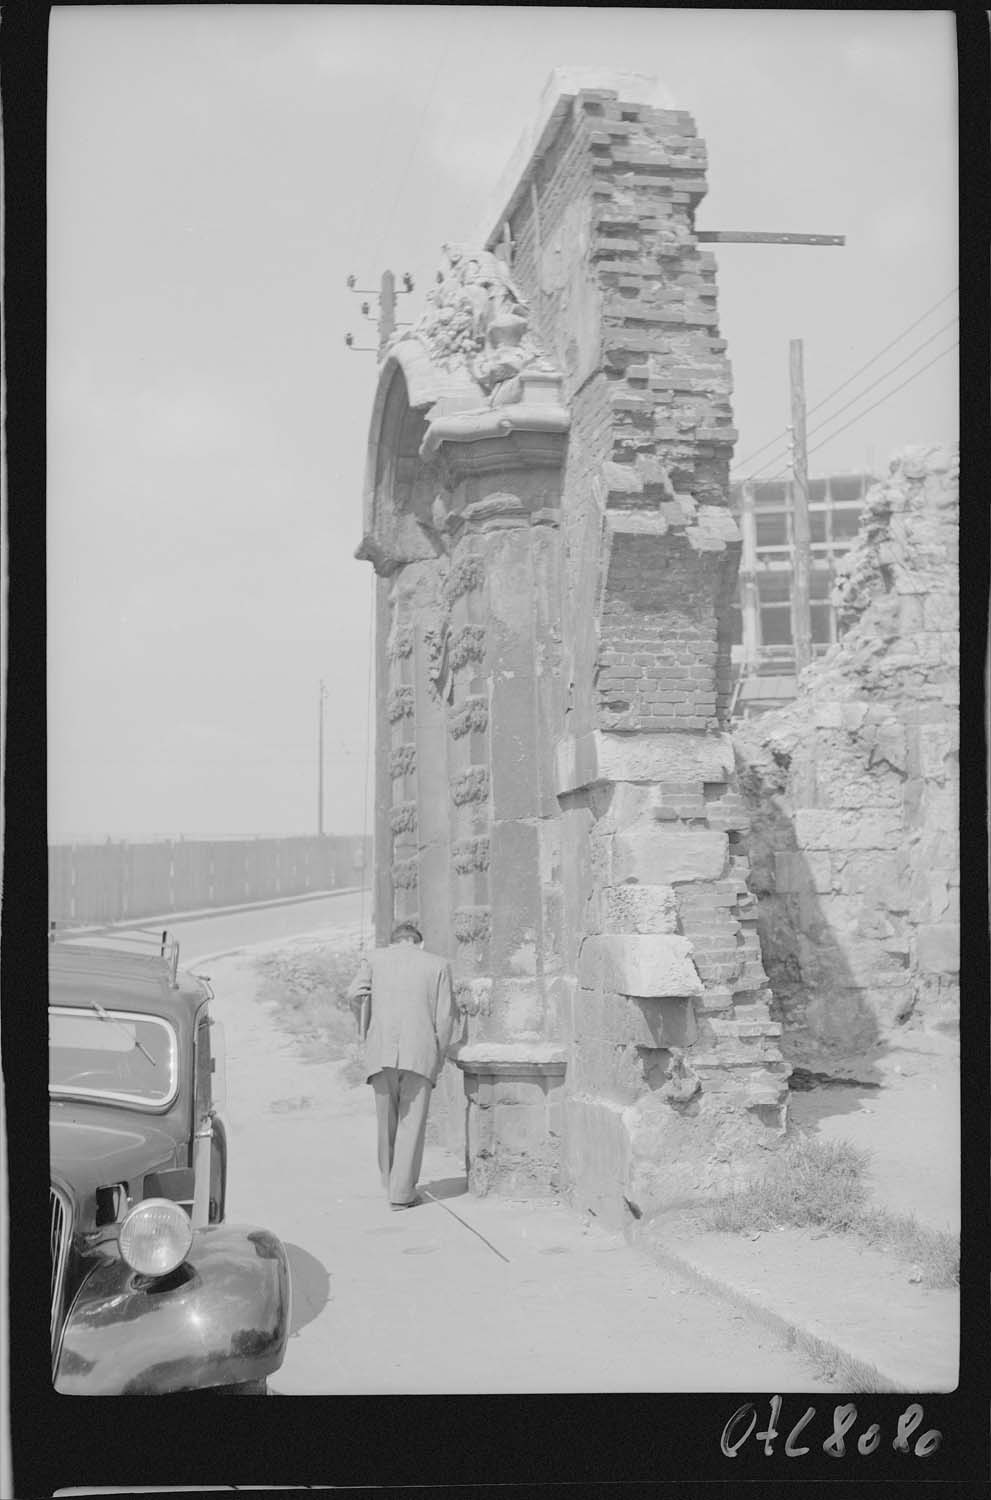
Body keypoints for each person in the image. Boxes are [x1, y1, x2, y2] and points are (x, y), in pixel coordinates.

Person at [346, 922, 456, 1209]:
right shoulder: (438, 965)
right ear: (419, 943)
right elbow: (444, 1019)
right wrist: (439, 1055)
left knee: (387, 1124)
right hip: (419, 1054)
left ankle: (390, 1183)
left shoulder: (373, 959)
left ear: (393, 942)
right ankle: (401, 1192)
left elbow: (354, 994)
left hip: (380, 1053)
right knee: (411, 1124)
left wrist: (364, 1026)